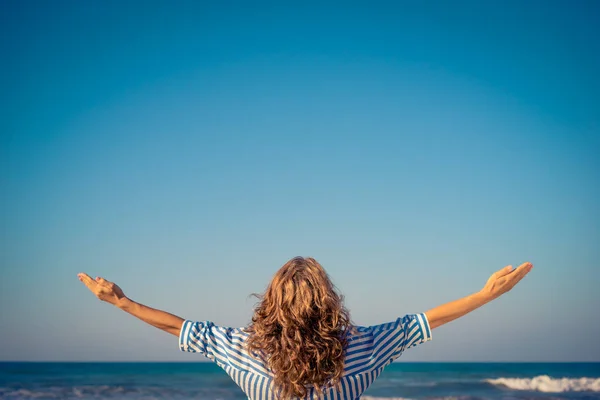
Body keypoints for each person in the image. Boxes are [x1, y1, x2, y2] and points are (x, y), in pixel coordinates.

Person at [78, 257, 533, 400]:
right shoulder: (364, 350)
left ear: (271, 303)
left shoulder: (245, 352)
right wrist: (486, 295)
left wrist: (122, 302)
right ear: (328, 300)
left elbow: (180, 327)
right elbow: (427, 320)